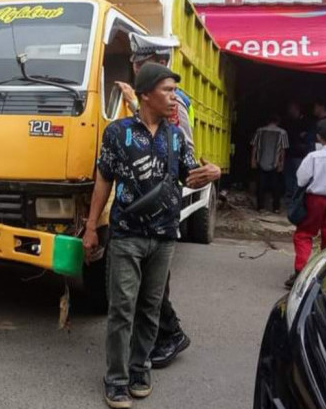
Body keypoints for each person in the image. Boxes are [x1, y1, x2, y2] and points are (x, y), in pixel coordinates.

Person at [83, 63, 207, 408]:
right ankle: (116, 380)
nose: (174, 97)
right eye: (168, 90)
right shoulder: (118, 132)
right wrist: (92, 227)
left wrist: (208, 173)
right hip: (127, 234)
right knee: (122, 308)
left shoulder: (175, 135)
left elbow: (188, 176)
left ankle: (140, 371)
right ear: (146, 94)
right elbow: (103, 179)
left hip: (165, 235)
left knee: (150, 308)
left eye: (174, 91)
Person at [116, 33, 221, 370]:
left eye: (140, 64)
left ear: (157, 64)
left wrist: (136, 104)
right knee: (149, 288)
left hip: (161, 208)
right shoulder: (150, 99)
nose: (136, 70)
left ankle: (171, 335)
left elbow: (169, 146)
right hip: (143, 209)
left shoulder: (175, 102)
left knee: (154, 289)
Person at [285, 118, 326, 288]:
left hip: (315, 199)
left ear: (319, 138)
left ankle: (300, 271)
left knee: (304, 234)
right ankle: (325, 272)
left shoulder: (313, 156)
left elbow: (301, 179)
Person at [251, 115, 289, 213]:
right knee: (275, 186)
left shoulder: (259, 131)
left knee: (261, 185)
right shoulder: (282, 132)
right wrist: (281, 163)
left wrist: (253, 160)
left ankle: (260, 207)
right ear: (278, 121)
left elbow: (254, 146)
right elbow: (283, 150)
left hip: (261, 161)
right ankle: (276, 208)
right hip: (275, 163)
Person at [282, 102, 309, 206]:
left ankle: (296, 199)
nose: (289, 111)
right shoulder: (288, 122)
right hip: (288, 153)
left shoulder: (305, 122)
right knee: (288, 177)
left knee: (299, 178)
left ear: (297, 109)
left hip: (299, 155)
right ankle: (289, 198)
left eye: (291, 108)